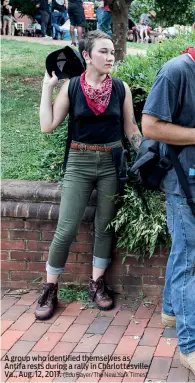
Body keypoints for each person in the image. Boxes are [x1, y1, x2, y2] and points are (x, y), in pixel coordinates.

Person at [36, 30, 142, 320]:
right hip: (79, 163)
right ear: (86, 56)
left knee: (105, 226)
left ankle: (96, 284)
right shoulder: (71, 88)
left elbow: (131, 130)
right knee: (66, 228)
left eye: (112, 52)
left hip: (111, 161)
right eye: (103, 52)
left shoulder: (121, 88)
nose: (111, 57)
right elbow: (48, 125)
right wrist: (48, 87)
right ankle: (49, 287)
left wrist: (146, 154)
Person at [142, 47, 195, 375]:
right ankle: (189, 346)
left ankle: (171, 312)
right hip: (180, 184)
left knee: (184, 252)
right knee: (189, 261)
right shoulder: (176, 71)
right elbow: (150, 126)